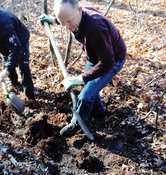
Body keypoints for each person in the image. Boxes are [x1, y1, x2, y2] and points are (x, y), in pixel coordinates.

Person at [40, 0, 127, 136]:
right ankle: (99, 111)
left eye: (69, 21)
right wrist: (53, 20)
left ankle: (77, 123)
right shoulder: (74, 14)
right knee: (90, 85)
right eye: (62, 22)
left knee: (85, 96)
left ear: (80, 9)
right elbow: (66, 17)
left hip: (112, 59)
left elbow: (107, 63)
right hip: (96, 57)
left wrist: (80, 78)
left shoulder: (96, 28)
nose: (67, 26)